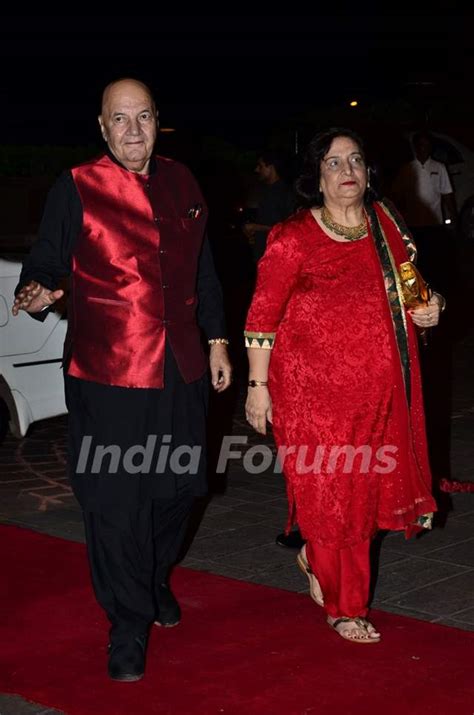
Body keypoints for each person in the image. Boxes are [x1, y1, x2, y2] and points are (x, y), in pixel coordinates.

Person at [12, 78, 232, 681]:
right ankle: (127, 621)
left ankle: (153, 576)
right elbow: (47, 262)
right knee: (115, 502)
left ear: (159, 121)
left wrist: (216, 340)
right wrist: (37, 292)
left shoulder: (184, 182)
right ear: (102, 127)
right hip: (108, 375)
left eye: (143, 118)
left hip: (181, 369)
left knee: (178, 492)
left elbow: (203, 270)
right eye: (120, 119)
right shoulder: (76, 186)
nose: (133, 131)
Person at [244, 127, 444, 644]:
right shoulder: (292, 237)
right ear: (316, 176)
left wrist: (430, 309)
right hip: (311, 396)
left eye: (355, 159)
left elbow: (412, 289)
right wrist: (257, 387)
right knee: (334, 497)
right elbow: (262, 317)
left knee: (363, 493)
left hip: (380, 392)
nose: (347, 170)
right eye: (333, 163)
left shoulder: (386, 223)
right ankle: (345, 607)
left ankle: (316, 556)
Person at [390, 130, 457, 296]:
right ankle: (418, 294)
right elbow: (396, 196)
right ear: (415, 147)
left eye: (427, 145)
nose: (424, 148)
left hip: (434, 223)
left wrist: (453, 218)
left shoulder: (439, 167)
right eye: (421, 145)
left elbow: (447, 194)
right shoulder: (407, 169)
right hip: (413, 225)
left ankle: (437, 293)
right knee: (416, 262)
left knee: (436, 259)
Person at [243, 151, 295, 263]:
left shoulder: (285, 192)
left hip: (277, 257)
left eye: (260, 166)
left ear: (271, 167)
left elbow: (288, 228)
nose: (256, 170)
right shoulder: (264, 190)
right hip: (262, 255)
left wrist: (256, 227)